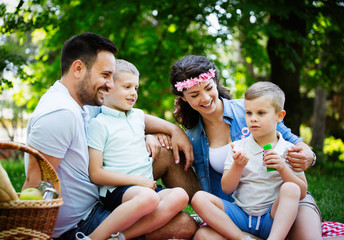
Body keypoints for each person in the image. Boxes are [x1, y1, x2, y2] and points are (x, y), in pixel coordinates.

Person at [23, 32, 197, 239]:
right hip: (79, 224)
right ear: (78, 69)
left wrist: (172, 130)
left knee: (180, 205)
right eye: (105, 75)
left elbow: (132, 117)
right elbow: (34, 185)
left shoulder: (80, 103)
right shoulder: (60, 114)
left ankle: (208, 209)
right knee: (183, 225)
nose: (110, 84)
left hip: (96, 204)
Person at [165, 55, 322, 239]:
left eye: (209, 88)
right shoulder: (192, 137)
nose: (205, 98)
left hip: (282, 202)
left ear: (216, 83)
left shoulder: (249, 110)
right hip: (240, 209)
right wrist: (161, 133)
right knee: (204, 237)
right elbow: (224, 188)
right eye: (194, 94)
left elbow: (292, 140)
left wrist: (309, 155)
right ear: (183, 98)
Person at [86, 59, 189, 239]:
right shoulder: (99, 124)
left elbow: (128, 139)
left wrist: (148, 137)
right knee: (149, 198)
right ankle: (93, 238)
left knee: (180, 195)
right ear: (107, 88)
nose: (133, 93)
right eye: (127, 87)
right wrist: (139, 181)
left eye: (136, 88)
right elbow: (95, 173)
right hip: (117, 191)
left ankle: (121, 237)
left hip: (146, 188)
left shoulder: (138, 116)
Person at [191, 81, 308, 240]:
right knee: (200, 208)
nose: (253, 119)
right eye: (248, 113)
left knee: (290, 188)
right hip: (242, 217)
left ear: (279, 116)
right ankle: (242, 238)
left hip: (272, 219)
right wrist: (238, 166)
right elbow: (226, 188)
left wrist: (282, 168)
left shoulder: (288, 150)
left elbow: (301, 192)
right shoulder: (237, 147)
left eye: (261, 113)